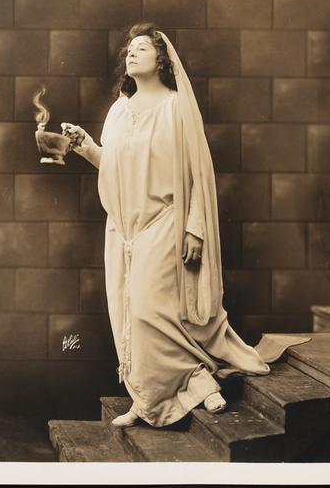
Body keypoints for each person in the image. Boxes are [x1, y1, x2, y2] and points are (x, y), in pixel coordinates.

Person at [63, 22, 310, 429]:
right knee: (128, 312)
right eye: (129, 49)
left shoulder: (176, 107)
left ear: (162, 60)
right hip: (125, 227)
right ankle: (151, 397)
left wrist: (195, 227)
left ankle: (192, 382)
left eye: (142, 48)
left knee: (150, 309)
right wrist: (87, 146)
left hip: (166, 220)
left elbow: (198, 173)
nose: (132, 53)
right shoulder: (120, 110)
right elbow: (114, 166)